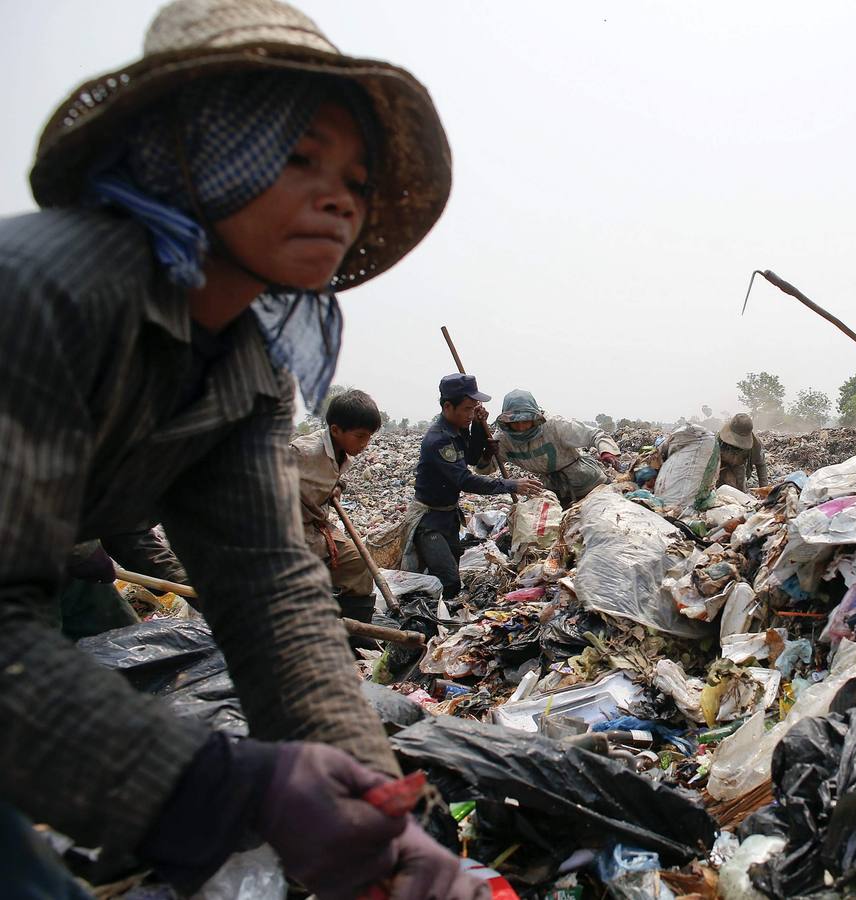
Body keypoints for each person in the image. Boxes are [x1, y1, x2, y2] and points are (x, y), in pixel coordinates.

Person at [0, 0, 475, 896]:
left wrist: (379, 813)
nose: (338, 196)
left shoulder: (244, 365)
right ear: (189, 153)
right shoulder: (40, 298)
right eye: (297, 157)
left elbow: (266, 586)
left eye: (357, 178)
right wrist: (226, 785)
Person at [414, 375, 543, 600]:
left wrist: (479, 430)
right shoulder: (439, 440)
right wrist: (512, 485)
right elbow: (466, 480)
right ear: (447, 406)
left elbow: (472, 458)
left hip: (449, 517)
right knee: (449, 581)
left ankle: (441, 617)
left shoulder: (459, 428)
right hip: (429, 522)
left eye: (474, 408)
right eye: (466, 409)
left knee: (450, 575)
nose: (471, 414)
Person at [291, 389, 381, 626]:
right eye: (360, 436)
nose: (365, 444)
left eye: (369, 437)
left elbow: (333, 475)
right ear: (335, 430)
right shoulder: (303, 452)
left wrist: (338, 485)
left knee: (359, 563)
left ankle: (357, 634)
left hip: (316, 530)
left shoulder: (344, 451)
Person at [476, 389, 620, 507]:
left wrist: (607, 451)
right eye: (515, 422)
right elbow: (484, 470)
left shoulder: (554, 426)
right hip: (554, 491)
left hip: (589, 484)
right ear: (507, 421)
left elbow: (596, 434)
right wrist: (487, 455)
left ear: (535, 418)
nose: (520, 427)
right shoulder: (502, 440)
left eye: (525, 421)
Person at [715, 413, 769, 491]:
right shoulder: (719, 439)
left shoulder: (756, 445)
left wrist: (764, 489)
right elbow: (710, 462)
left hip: (740, 470)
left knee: (738, 492)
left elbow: (761, 465)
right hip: (721, 467)